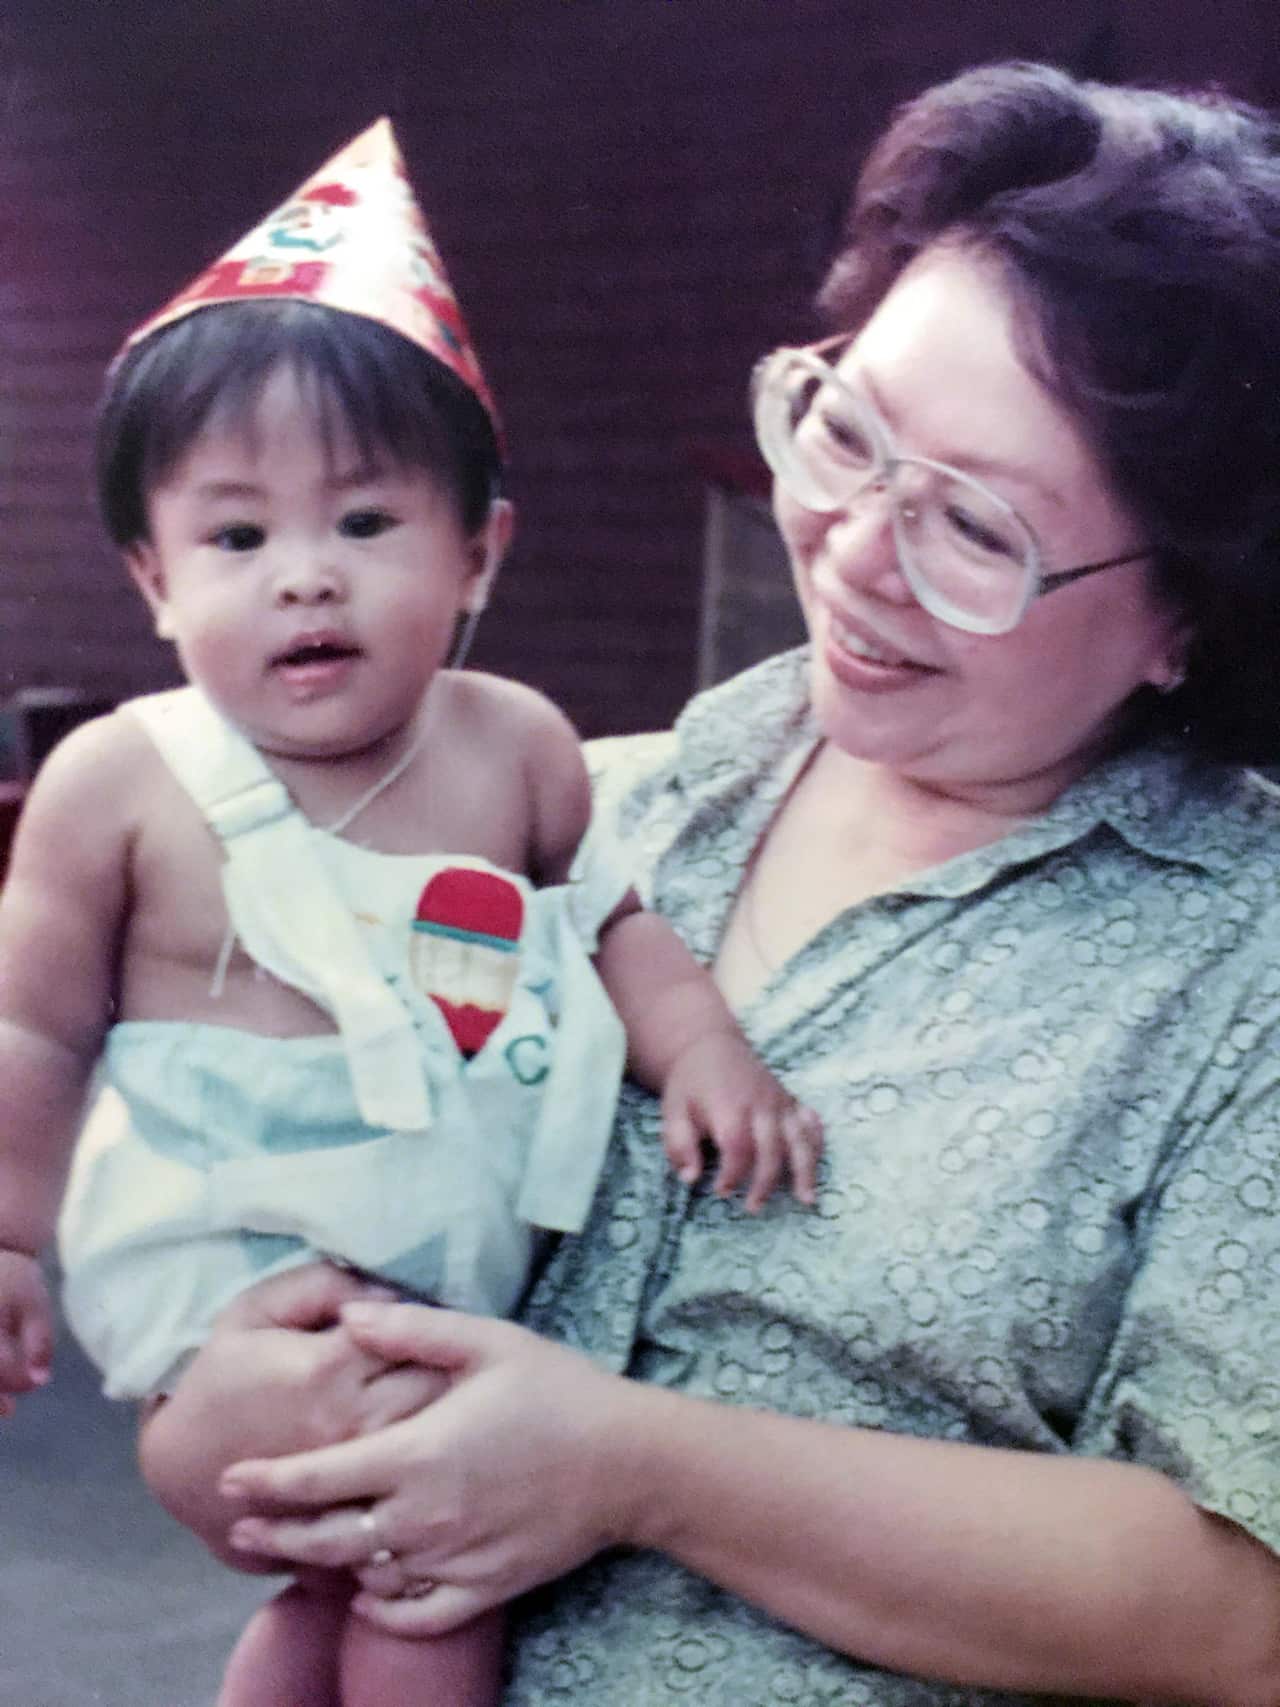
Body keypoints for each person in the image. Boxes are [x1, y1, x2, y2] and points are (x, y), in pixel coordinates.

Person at [93, 59, 1280, 1706]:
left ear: (1190, 618)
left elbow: (1244, 1612)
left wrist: (641, 1468)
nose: (858, 550)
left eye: (978, 530)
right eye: (848, 429)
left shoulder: (1246, 968)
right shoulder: (592, 809)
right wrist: (225, 1418)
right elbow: (285, 1189)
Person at [0, 120, 821, 1707]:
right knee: (435, 1569)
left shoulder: (512, 743)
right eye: (236, 537)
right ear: (154, 578)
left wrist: (706, 1050)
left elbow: (611, 925)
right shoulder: (126, 777)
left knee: (347, 1590)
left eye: (365, 524)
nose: (304, 576)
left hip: (445, 1254)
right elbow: (30, 1024)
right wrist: (5, 1232)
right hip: (224, 1277)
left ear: (479, 551)